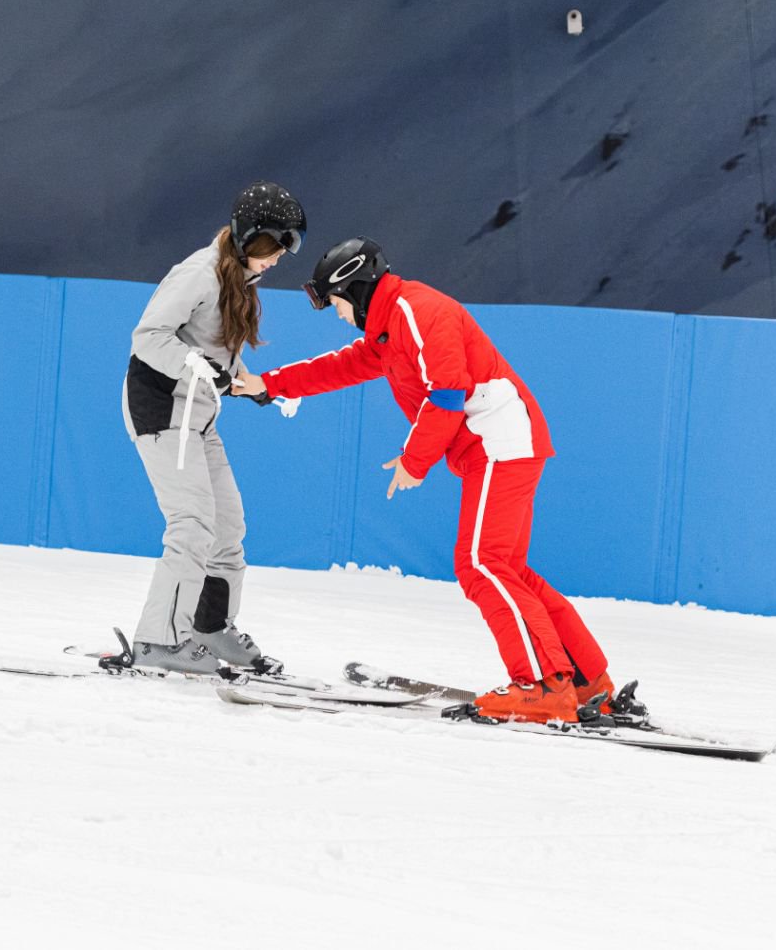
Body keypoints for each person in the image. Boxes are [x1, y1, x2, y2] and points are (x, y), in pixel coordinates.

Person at [232, 237, 626, 723]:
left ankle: (542, 686)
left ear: (356, 290)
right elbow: (344, 366)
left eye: (335, 303)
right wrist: (268, 384)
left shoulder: (417, 311)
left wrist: (413, 462)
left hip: (498, 441)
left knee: (481, 564)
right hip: (501, 443)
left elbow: (447, 393)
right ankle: (588, 683)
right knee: (505, 569)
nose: (336, 314)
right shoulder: (389, 330)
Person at [105, 182, 305, 676]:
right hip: (161, 409)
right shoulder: (197, 274)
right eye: (273, 249)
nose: (277, 260)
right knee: (192, 523)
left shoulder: (236, 278)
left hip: (198, 416)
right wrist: (198, 367)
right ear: (248, 238)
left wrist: (256, 387)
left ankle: (209, 627)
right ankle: (158, 641)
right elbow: (148, 338)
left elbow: (213, 365)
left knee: (228, 527)